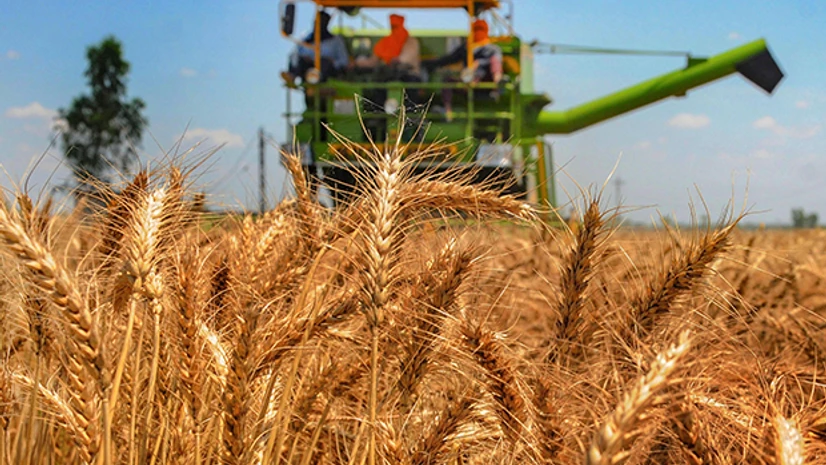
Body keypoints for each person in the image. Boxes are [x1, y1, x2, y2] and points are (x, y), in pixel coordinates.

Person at [422, 18, 503, 121]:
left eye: (481, 29)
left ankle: (498, 82)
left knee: (494, 62)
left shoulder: (492, 49)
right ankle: (448, 112)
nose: (479, 32)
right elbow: (449, 59)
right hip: (467, 82)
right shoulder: (466, 48)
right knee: (447, 81)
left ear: (486, 31)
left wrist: (479, 65)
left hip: (485, 83)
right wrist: (428, 63)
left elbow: (496, 64)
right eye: (476, 29)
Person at [281, 11, 349, 88]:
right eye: (316, 21)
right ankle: (292, 76)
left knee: (323, 62)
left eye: (321, 21)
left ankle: (316, 79)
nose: (317, 24)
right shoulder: (305, 38)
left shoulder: (335, 40)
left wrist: (333, 62)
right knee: (295, 56)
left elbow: (344, 61)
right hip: (307, 68)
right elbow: (296, 53)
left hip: (326, 71)